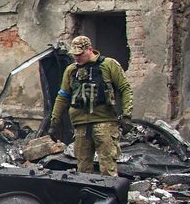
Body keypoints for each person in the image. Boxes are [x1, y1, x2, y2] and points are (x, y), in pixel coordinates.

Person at [47, 35, 133, 176]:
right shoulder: (71, 70)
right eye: (74, 55)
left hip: (104, 123)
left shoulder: (108, 64)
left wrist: (127, 115)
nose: (77, 58)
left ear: (90, 49)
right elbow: (62, 96)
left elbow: (125, 88)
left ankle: (109, 195)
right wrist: (54, 122)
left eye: (80, 54)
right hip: (80, 125)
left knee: (107, 166)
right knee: (82, 168)